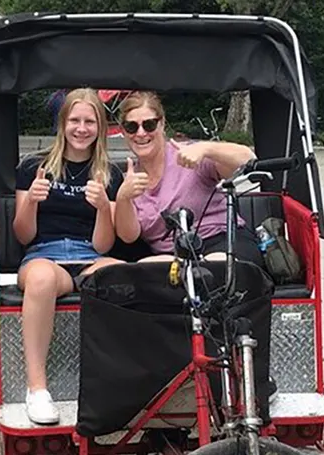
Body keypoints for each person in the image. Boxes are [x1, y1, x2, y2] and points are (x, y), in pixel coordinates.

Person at [14, 87, 124, 424]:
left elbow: (104, 246)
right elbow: (23, 235)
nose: (81, 128)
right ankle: (37, 389)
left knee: (125, 277)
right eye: (75, 120)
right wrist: (32, 200)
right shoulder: (34, 167)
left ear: (100, 127)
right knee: (43, 278)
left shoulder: (110, 174)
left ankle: (120, 383)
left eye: (89, 121)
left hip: (89, 255)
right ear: (62, 123)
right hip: (44, 256)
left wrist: (105, 208)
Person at [112, 91, 267, 270]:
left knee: (215, 267)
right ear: (123, 131)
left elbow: (248, 160)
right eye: (131, 127)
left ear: (161, 124)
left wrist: (206, 148)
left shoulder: (189, 154)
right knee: (143, 270)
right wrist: (124, 197)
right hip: (172, 257)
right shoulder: (131, 180)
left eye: (149, 125)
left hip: (221, 240)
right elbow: (129, 236)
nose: (141, 133)